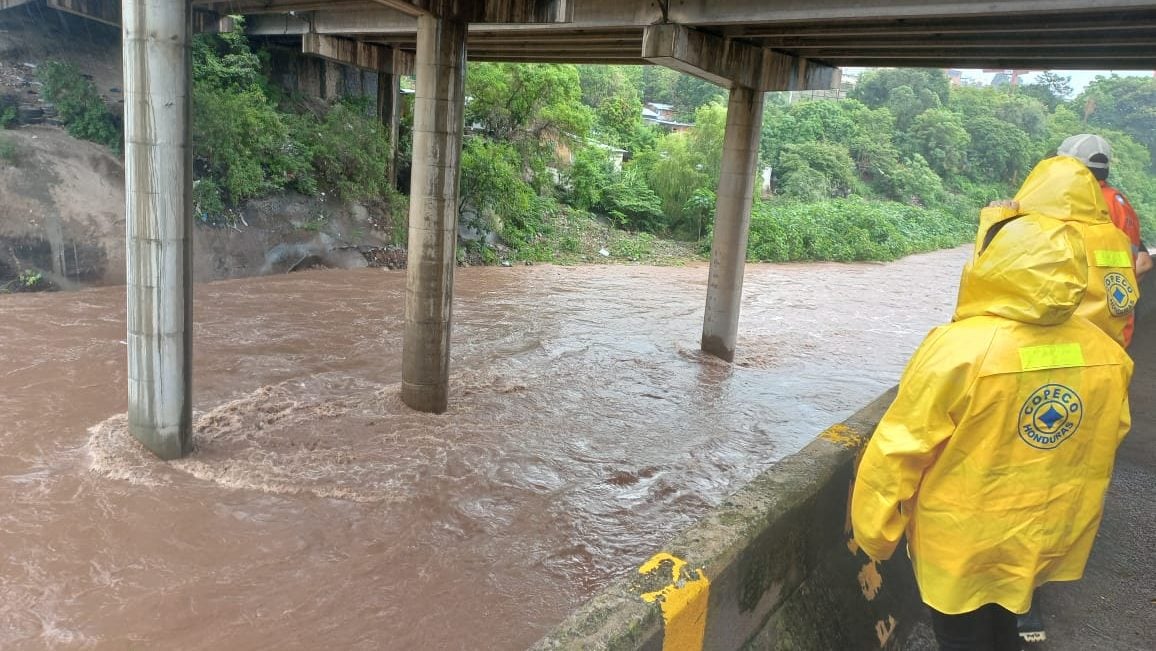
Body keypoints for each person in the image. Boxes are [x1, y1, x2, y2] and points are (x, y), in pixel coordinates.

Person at [851, 158, 1134, 651]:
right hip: (1040, 533)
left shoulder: (959, 348)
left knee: (959, 635)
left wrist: (876, 535)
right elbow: (1110, 433)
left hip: (960, 541)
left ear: (995, 262)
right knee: (1005, 618)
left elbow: (898, 449)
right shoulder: (1106, 355)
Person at [1058, 133, 1151, 345]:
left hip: (1087, 319)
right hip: (1112, 324)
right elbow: (1142, 263)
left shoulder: (1088, 202)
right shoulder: (1117, 202)